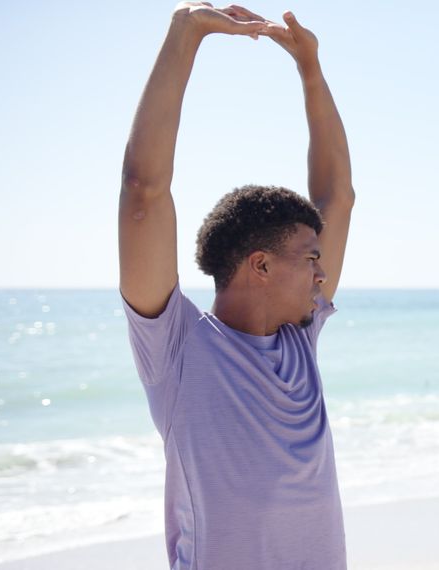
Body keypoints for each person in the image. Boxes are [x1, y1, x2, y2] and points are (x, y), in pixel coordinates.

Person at [118, 3, 353, 568]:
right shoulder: (177, 348)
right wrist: (186, 35)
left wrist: (311, 70)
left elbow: (337, 196)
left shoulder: (301, 337)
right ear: (260, 266)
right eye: (311, 258)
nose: (323, 274)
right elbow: (144, 192)